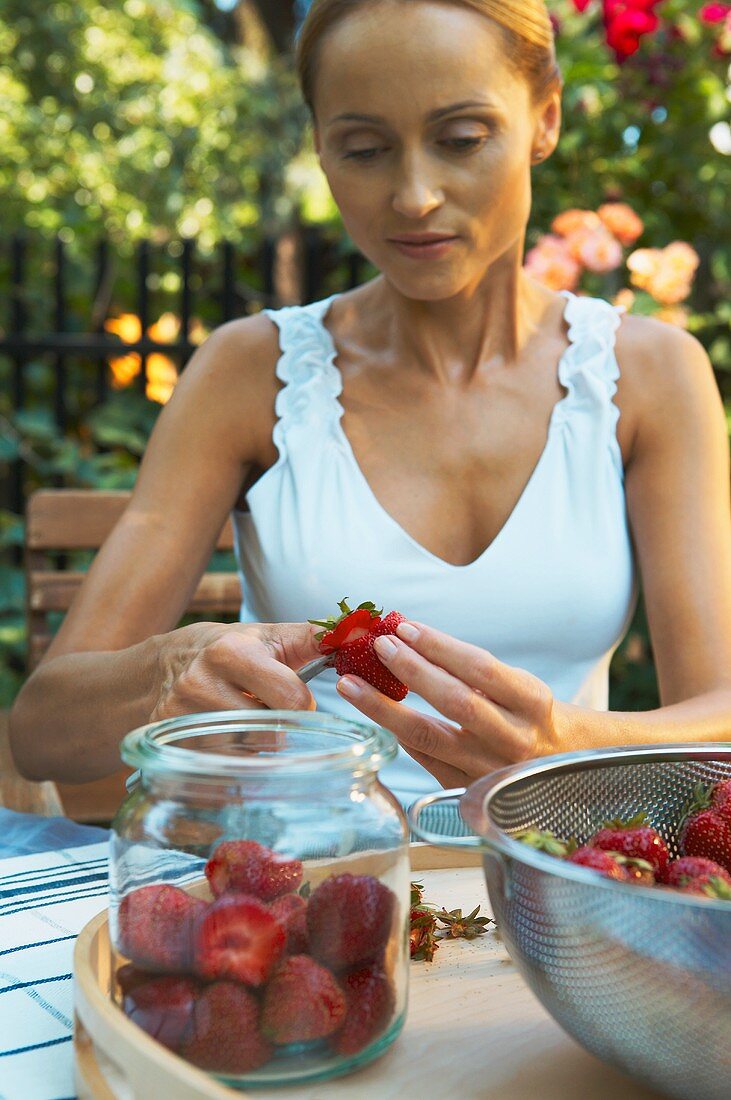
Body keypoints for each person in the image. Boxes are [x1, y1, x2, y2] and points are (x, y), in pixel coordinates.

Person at [10, 0, 731, 808]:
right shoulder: (251, 372)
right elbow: (43, 730)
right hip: (304, 889)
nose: (414, 195)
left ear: (545, 117)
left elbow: (720, 716)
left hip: (543, 890)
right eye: (363, 149)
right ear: (320, 148)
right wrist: (173, 668)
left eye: (461, 139)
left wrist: (563, 743)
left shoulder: (648, 374)